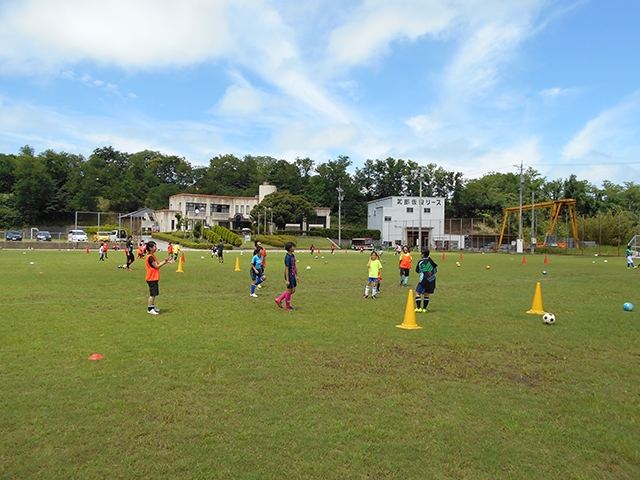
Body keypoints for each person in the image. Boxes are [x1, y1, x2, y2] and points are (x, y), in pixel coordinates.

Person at [144, 240, 175, 315]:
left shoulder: (152, 256)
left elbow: (157, 264)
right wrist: (165, 262)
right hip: (151, 278)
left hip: (154, 277)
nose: (156, 248)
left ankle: (152, 307)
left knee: (154, 294)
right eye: (154, 246)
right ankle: (150, 309)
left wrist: (166, 261)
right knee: (152, 294)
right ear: (150, 248)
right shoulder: (150, 257)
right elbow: (157, 266)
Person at [275, 241, 298, 310]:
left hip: (293, 274)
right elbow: (287, 269)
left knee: (293, 290)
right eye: (293, 247)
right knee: (289, 290)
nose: (294, 248)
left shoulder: (293, 256)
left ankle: (279, 299)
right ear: (290, 248)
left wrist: (297, 275)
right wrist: (287, 280)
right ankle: (288, 307)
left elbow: (294, 265)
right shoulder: (287, 257)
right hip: (289, 275)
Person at [415, 248, 437, 313]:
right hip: (432, 279)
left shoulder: (421, 262)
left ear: (423, 255)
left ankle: (419, 308)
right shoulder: (432, 261)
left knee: (418, 293)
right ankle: (424, 309)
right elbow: (435, 271)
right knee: (427, 294)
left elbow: (417, 271)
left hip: (424, 280)